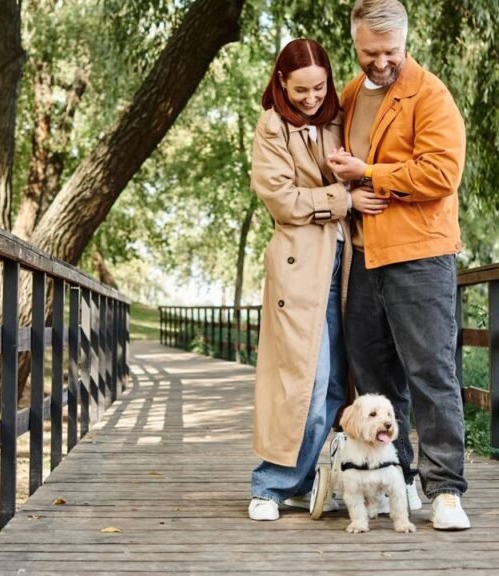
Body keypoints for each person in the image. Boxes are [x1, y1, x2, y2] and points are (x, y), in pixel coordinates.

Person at [326, 0, 469, 530]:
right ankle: (400, 477)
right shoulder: (347, 93)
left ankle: (446, 490)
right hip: (364, 256)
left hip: (420, 255)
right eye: (369, 53)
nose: (380, 62)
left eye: (390, 52)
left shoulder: (430, 96)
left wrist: (369, 172)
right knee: (375, 376)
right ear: (356, 44)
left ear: (405, 43)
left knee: (431, 372)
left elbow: (441, 173)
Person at [247, 38, 356, 521]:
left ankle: (308, 482)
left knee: (335, 384)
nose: (311, 98)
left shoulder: (341, 114)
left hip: (345, 262)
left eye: (318, 87)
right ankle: (269, 485)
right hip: (298, 266)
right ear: (281, 84)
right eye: (300, 91)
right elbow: (281, 201)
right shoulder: (272, 126)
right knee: (302, 381)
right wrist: (341, 199)